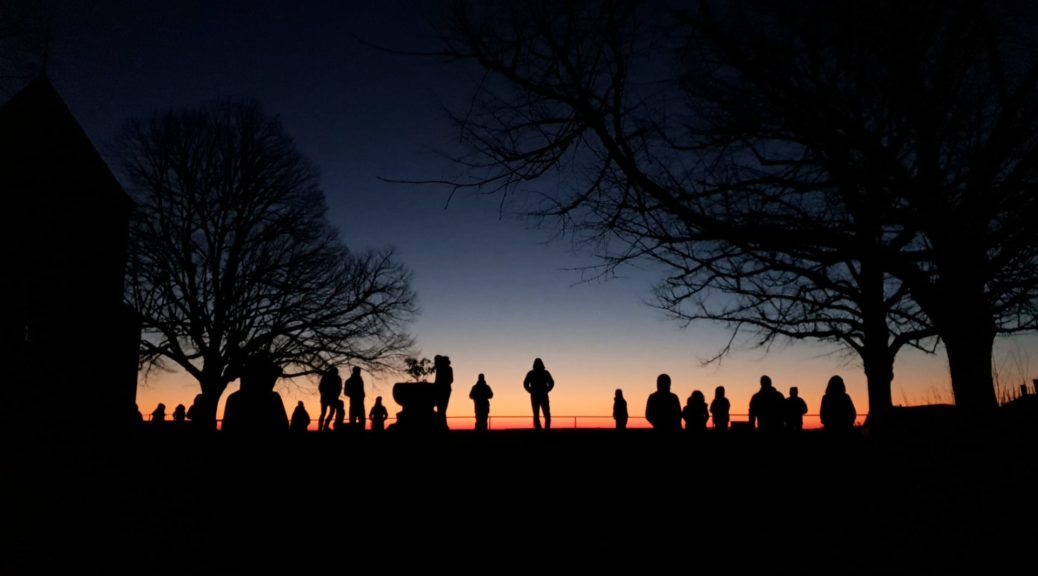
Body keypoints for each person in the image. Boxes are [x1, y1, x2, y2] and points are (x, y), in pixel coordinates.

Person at [221, 353, 289, 434]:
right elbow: (283, 427)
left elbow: (227, 429)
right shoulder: (273, 398)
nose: (272, 381)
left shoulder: (234, 398)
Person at [522, 358, 555, 430]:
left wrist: (546, 390)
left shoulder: (544, 373)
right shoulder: (532, 373)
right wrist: (530, 390)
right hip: (537, 395)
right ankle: (541, 429)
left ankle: (544, 429)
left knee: (544, 414)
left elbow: (551, 383)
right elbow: (525, 384)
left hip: (540, 395)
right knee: (539, 414)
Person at [317, 367, 342, 432]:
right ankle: (321, 428)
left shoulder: (336, 378)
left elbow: (339, 388)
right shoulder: (327, 377)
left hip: (330, 398)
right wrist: (324, 393)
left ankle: (324, 427)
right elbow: (320, 387)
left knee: (330, 413)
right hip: (327, 398)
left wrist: (336, 395)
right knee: (324, 413)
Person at [434, 355, 454, 424]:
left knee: (441, 409)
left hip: (443, 390)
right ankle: (442, 425)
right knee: (441, 409)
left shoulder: (442, 369)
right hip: (445, 389)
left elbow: (450, 380)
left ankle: (442, 425)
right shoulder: (444, 368)